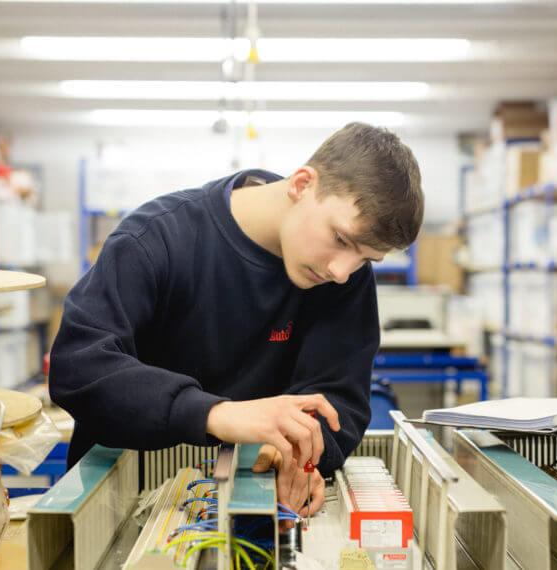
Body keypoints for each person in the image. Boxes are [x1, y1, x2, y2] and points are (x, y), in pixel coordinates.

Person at [49, 122, 424, 520]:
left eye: (366, 258)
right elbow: (79, 368)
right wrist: (218, 414)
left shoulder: (343, 277)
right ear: (301, 184)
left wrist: (299, 454)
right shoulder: (156, 237)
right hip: (123, 501)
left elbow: (339, 399)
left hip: (257, 504)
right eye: (342, 240)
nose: (343, 271)